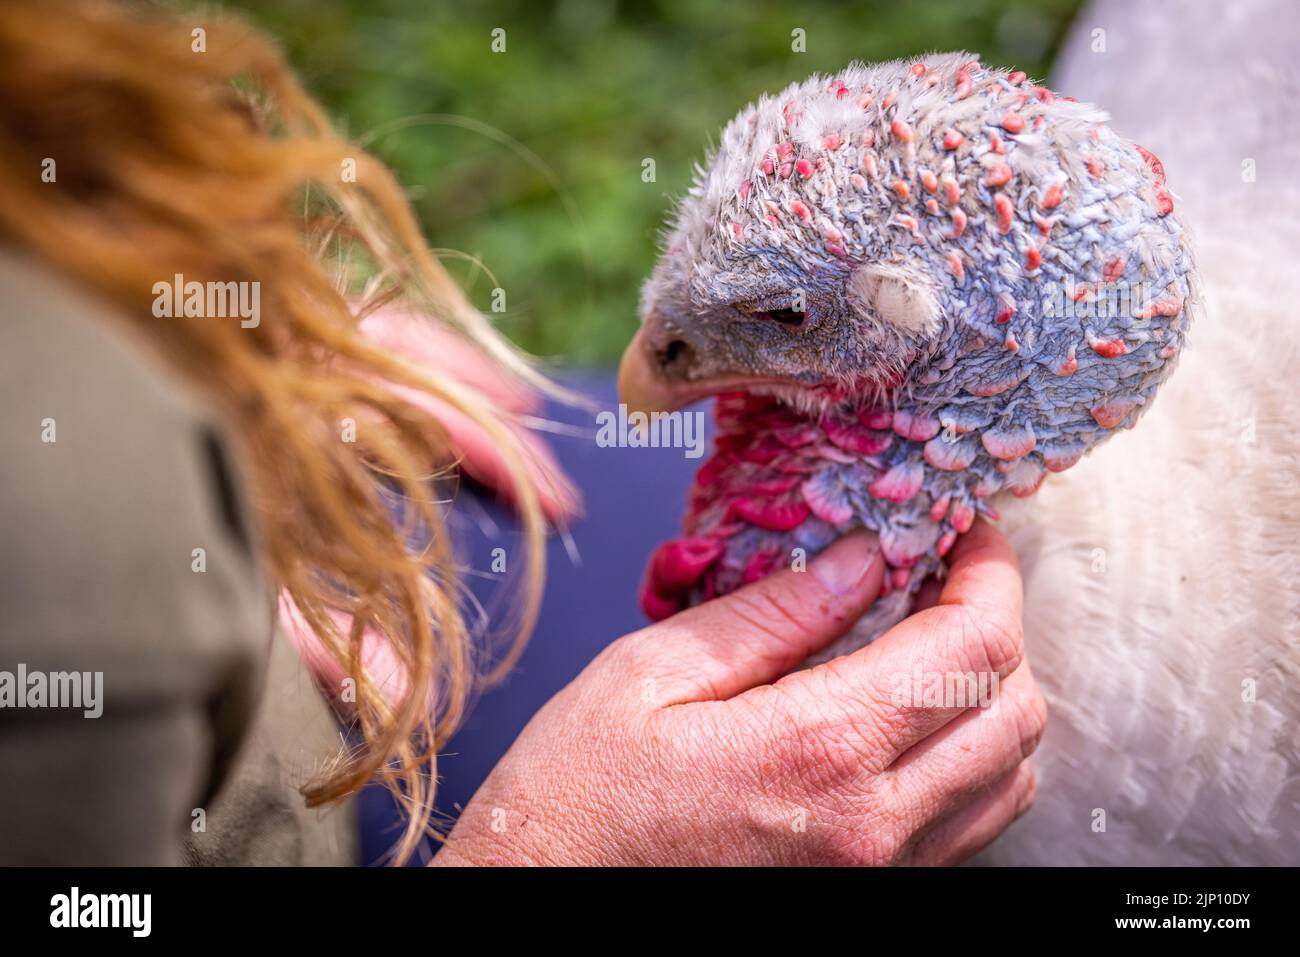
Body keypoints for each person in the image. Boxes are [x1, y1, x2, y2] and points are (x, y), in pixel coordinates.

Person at [0, 0, 1045, 866]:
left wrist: (224, 350)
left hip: (235, 594)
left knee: (691, 484)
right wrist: (556, 848)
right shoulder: (72, 545)